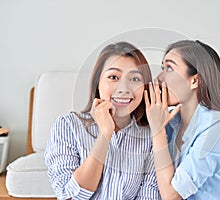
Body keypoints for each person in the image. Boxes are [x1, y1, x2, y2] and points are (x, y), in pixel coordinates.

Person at [144, 40, 220, 199]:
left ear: (194, 81)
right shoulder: (170, 120)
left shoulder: (218, 126)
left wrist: (158, 131)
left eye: (169, 68)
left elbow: (172, 196)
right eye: (162, 68)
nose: (159, 77)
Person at [45, 42, 161, 200]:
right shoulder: (67, 126)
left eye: (134, 79)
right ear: (97, 83)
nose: (124, 88)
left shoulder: (151, 136)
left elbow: (149, 195)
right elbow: (69, 197)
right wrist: (105, 135)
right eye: (113, 77)